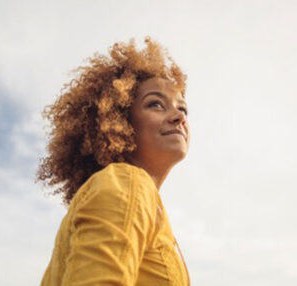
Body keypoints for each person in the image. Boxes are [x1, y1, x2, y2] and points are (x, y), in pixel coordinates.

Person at [37, 37, 191, 286]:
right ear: (120, 122)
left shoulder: (142, 198)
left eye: (183, 109)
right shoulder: (127, 182)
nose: (178, 117)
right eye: (156, 104)